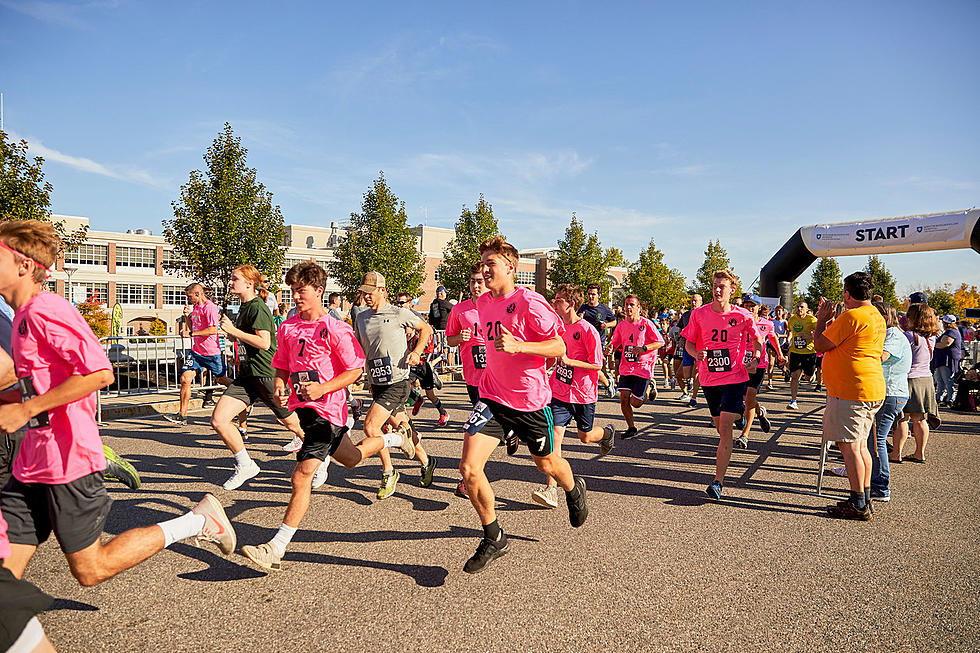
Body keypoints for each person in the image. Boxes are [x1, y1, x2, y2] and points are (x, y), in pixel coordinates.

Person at [0, 220, 235, 589]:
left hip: (68, 459)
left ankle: (197, 522)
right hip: (32, 460)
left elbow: (99, 373)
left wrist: (25, 410)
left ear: (24, 266)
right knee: (5, 574)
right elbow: (35, 387)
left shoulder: (47, 309)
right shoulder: (21, 319)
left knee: (91, 569)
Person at [240, 262, 407, 571]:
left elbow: (356, 370)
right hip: (302, 410)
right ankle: (395, 438)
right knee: (353, 458)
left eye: (301, 291)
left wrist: (322, 389)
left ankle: (276, 548)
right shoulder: (288, 326)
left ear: (318, 291)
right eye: (292, 291)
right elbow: (282, 364)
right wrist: (279, 383)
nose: (295, 296)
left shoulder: (335, 327)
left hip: (327, 412)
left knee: (301, 475)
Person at [458, 236, 588, 574]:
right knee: (470, 470)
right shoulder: (483, 304)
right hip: (492, 397)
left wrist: (520, 346)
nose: (485, 269)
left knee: (546, 465)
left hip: (531, 402)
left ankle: (574, 489)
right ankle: (494, 535)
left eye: (491, 263)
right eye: (482, 263)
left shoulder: (531, 302)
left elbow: (559, 347)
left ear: (510, 268)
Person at [208, 265, 309, 490]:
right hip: (247, 376)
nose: (231, 282)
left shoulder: (258, 307)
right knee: (219, 420)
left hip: (266, 374)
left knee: (292, 423)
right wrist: (237, 350)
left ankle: (319, 459)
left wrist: (234, 332)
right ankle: (245, 464)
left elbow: (264, 342)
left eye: (235, 279)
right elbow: (248, 340)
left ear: (249, 283)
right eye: (231, 279)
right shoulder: (243, 307)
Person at [353, 272, 436, 499]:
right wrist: (364, 375)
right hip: (377, 382)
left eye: (370, 292)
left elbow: (426, 329)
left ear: (382, 290)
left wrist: (417, 352)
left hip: (398, 381)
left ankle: (389, 472)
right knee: (404, 429)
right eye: (363, 292)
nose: (366, 297)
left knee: (371, 427)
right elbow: (361, 349)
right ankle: (427, 462)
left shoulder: (399, 313)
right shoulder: (361, 317)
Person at [531, 284, 615, 508]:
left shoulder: (587, 330)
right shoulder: (556, 328)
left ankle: (607, 433)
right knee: (555, 436)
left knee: (585, 437)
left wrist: (569, 361)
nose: (555, 302)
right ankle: (551, 489)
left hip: (583, 394)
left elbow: (597, 365)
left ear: (572, 304)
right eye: (555, 299)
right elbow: (551, 354)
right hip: (558, 391)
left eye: (559, 300)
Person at [812, 271, 886, 520]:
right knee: (860, 445)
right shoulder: (875, 314)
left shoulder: (852, 315)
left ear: (847, 293)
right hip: (869, 386)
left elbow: (820, 345)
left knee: (849, 446)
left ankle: (858, 502)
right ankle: (863, 496)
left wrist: (822, 320)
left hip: (851, 390)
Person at [682, 270, 761, 500]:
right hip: (709, 379)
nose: (717, 290)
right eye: (715, 286)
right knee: (719, 426)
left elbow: (757, 340)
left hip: (735, 377)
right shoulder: (699, 314)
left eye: (722, 287)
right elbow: (688, 344)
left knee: (724, 428)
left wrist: (755, 357)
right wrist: (697, 354)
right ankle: (742, 416)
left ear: (732, 290)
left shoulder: (743, 315)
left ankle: (718, 482)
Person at [445, 262, 492, 498]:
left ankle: (467, 479)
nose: (475, 286)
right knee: (479, 429)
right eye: (473, 281)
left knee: (476, 430)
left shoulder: (497, 307)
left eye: (480, 282)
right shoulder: (460, 310)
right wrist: (459, 338)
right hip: (472, 376)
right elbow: (450, 340)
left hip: (495, 379)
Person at [867, 302, 911, 502]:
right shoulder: (890, 334)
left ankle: (881, 486)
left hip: (890, 393)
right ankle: (874, 482)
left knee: (878, 442)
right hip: (888, 392)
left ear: (883, 317)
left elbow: (880, 357)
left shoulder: (893, 335)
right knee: (874, 440)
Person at [164, 283, 225, 425]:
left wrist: (191, 333)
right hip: (196, 351)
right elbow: (194, 327)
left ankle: (244, 400)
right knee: (185, 378)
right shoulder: (196, 308)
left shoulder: (210, 307)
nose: (187, 299)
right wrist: (187, 317)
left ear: (198, 294)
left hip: (211, 352)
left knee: (222, 380)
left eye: (189, 296)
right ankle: (182, 415)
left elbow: (212, 330)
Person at [606, 295, 664, 440]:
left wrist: (644, 348)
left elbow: (660, 342)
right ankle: (631, 428)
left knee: (635, 403)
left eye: (632, 304)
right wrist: (610, 349)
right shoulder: (621, 326)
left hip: (643, 367)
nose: (628, 307)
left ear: (638, 307)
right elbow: (615, 342)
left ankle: (650, 387)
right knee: (624, 399)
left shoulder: (646, 324)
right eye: (626, 304)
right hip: (627, 368)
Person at [892, 304, 941, 464]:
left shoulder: (908, 336)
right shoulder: (932, 337)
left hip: (909, 379)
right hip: (926, 379)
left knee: (902, 419)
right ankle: (920, 453)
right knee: (920, 419)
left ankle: (896, 453)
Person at [734, 294, 784, 448]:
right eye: (746, 305)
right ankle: (760, 412)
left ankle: (745, 434)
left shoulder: (766, 324)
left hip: (759, 365)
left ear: (758, 308)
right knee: (744, 397)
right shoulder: (737, 323)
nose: (749, 308)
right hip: (741, 364)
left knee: (748, 399)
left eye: (752, 305)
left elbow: (773, 337)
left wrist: (780, 354)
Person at [400, 291, 449, 427]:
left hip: (423, 366)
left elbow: (429, 331)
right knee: (402, 386)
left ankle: (443, 412)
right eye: (397, 302)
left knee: (430, 394)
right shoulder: (399, 321)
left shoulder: (415, 319)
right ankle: (416, 401)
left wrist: (421, 351)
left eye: (402, 302)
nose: (399, 305)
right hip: (411, 367)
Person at [577, 284, 617, 394]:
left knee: (597, 365)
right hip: (583, 341)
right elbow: (575, 320)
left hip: (599, 341)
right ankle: (603, 383)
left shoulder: (604, 309)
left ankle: (608, 383)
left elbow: (614, 322)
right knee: (586, 365)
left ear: (598, 295)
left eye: (593, 294)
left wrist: (606, 325)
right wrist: (579, 319)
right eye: (589, 294)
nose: (591, 297)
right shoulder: (583, 308)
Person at [786, 300, 818, 409]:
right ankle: (793, 401)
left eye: (802, 307)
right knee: (794, 376)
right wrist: (788, 339)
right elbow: (790, 331)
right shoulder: (792, 319)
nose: (799, 309)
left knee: (808, 378)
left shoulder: (812, 320)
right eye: (797, 307)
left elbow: (820, 334)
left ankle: (811, 376)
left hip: (809, 352)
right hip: (795, 351)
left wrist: (808, 336)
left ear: (807, 309)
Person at [677, 294, 702, 406]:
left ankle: (694, 398)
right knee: (685, 375)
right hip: (688, 346)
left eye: (695, 301)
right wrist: (681, 338)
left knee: (696, 372)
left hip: (700, 346)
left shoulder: (704, 314)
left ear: (701, 302)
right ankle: (690, 385)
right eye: (692, 301)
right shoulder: (686, 315)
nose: (693, 303)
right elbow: (681, 328)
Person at [933, 314, 962, 406]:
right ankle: (939, 397)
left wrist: (932, 344)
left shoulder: (951, 332)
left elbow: (945, 344)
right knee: (940, 380)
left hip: (947, 359)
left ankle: (951, 399)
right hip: (942, 359)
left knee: (948, 380)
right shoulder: (951, 331)